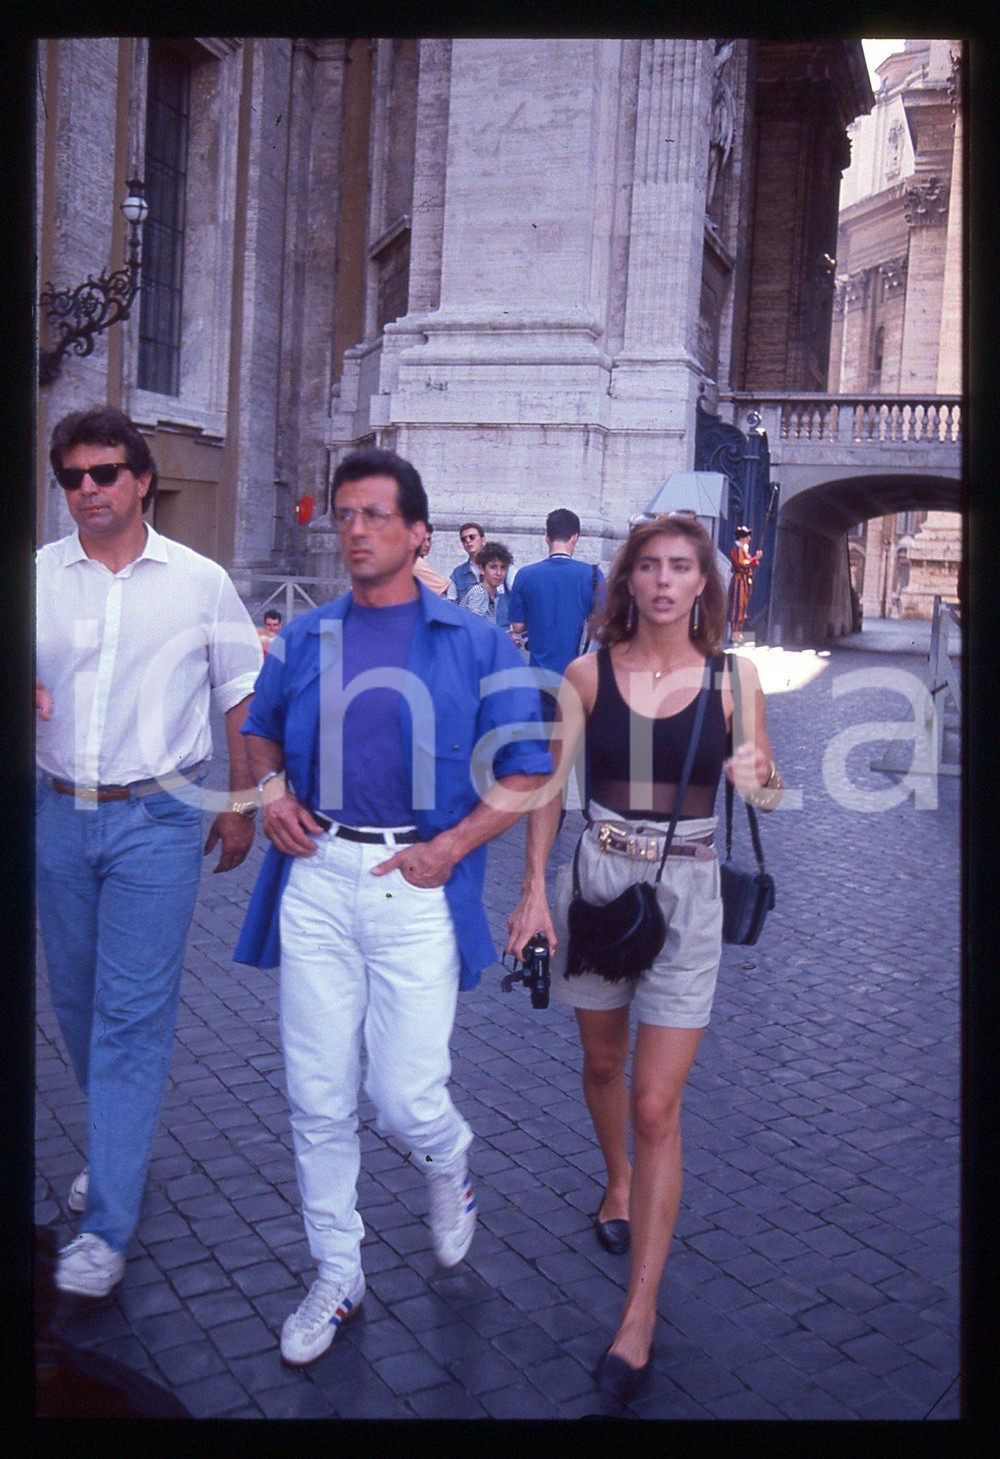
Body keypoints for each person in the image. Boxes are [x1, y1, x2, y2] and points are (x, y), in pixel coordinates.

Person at [233, 446, 551, 1367]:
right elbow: (257, 726)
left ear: (419, 532)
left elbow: (528, 766)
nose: (358, 529)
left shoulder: (476, 640)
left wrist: (453, 847)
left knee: (405, 1098)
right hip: (320, 878)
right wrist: (271, 796)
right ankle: (338, 1272)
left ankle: (447, 1159)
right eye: (346, 514)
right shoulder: (306, 634)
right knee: (317, 1096)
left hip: (416, 881)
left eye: (378, 514)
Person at [505, 513, 782, 1402]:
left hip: (691, 889)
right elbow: (550, 789)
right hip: (598, 881)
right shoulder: (587, 674)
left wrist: (760, 781)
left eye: (681, 568)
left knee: (657, 1103)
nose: (664, 582)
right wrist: (534, 892)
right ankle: (617, 1179)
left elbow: (771, 794)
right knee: (601, 1063)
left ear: (705, 583)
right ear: (627, 582)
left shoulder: (735, 678)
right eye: (649, 568)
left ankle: (640, 1312)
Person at [35, 407, 262, 1298]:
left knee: (131, 1017)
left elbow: (244, 695)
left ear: (141, 480)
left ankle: (107, 1224)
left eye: (103, 472)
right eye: (71, 477)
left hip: (160, 820)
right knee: (80, 1006)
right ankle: (116, 1151)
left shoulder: (200, 583)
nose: (85, 489)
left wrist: (242, 801)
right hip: (56, 815)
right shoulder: (37, 575)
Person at [508, 508, 604, 719]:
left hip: (538, 680)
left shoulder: (525, 575)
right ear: (575, 537)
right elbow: (605, 625)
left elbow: (517, 627)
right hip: (578, 680)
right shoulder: (593, 575)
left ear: (547, 537)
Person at [459, 540, 515, 632]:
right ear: (482, 569)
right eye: (493, 567)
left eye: (503, 567)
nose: (499, 573)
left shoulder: (492, 594)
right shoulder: (479, 593)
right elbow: (473, 631)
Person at [728, 525, 762, 643]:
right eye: (747, 536)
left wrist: (754, 560)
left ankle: (738, 633)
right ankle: (734, 633)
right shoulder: (737, 550)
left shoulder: (744, 551)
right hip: (739, 582)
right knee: (737, 607)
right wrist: (754, 559)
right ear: (742, 538)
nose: (749, 538)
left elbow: (751, 563)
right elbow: (741, 564)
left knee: (743, 607)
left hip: (745, 581)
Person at [446, 521, 486, 601]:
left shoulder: (502, 567)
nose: (468, 540)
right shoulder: (458, 573)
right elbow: (451, 603)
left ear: (483, 540)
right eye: (463, 539)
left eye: (472, 537)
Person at [412, 522, 449, 595]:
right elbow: (448, 589)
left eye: (429, 540)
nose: (427, 545)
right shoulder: (416, 562)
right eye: (422, 541)